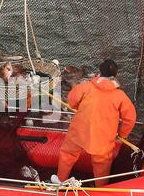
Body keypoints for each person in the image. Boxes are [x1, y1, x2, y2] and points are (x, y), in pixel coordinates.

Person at [51, 59, 136, 187]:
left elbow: (71, 101)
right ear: (115, 75)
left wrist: (79, 107)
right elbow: (130, 118)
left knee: (68, 154)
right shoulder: (120, 96)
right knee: (102, 163)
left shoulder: (86, 87)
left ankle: (61, 180)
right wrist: (122, 134)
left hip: (78, 132)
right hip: (103, 138)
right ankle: (100, 189)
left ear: (99, 72)